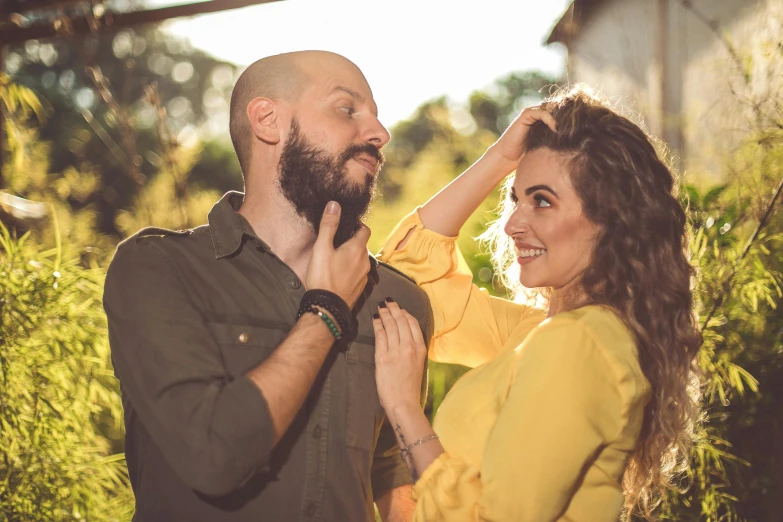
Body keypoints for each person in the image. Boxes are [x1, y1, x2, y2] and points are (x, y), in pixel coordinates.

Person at [103, 50, 432, 522]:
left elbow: (390, 472)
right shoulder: (158, 269)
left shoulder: (401, 301)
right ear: (268, 120)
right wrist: (326, 311)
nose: (380, 134)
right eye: (347, 109)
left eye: (376, 117)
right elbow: (211, 455)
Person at [371, 87, 702, 521]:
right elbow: (410, 284)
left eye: (542, 201)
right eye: (516, 199)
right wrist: (499, 159)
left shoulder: (577, 344)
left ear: (611, 222)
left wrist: (403, 409)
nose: (511, 225)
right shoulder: (538, 333)